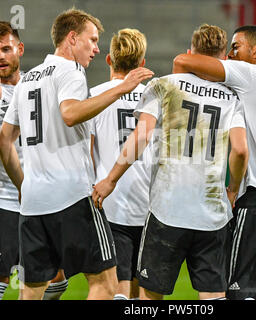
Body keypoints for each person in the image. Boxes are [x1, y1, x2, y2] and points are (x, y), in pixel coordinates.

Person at [0, 8, 153, 300]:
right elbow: (69, 113)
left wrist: (22, 185)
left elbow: (4, 141)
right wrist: (122, 88)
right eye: (91, 40)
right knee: (106, 283)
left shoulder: (27, 79)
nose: (96, 48)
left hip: (33, 203)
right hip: (71, 196)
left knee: (30, 292)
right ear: (72, 38)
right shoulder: (71, 71)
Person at [93, 24, 248, 300]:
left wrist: (111, 179)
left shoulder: (163, 85)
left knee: (150, 296)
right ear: (223, 59)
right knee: (213, 296)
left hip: (167, 209)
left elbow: (140, 138)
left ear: (191, 53)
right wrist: (233, 187)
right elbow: (240, 150)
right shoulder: (233, 98)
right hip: (212, 212)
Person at [173, 25, 256, 300]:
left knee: (238, 291)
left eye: (237, 46)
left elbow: (182, 61)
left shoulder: (252, 74)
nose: (231, 54)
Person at [0, 21, 67, 300]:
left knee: (56, 280)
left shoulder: (37, 86)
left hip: (39, 200)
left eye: (5, 48)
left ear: (20, 49)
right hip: (0, 198)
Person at [89, 28, 150, 300]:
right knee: (143, 292)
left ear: (109, 60)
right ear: (142, 63)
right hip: (151, 204)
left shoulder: (94, 96)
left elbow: (87, 154)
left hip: (110, 202)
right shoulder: (156, 96)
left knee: (117, 288)